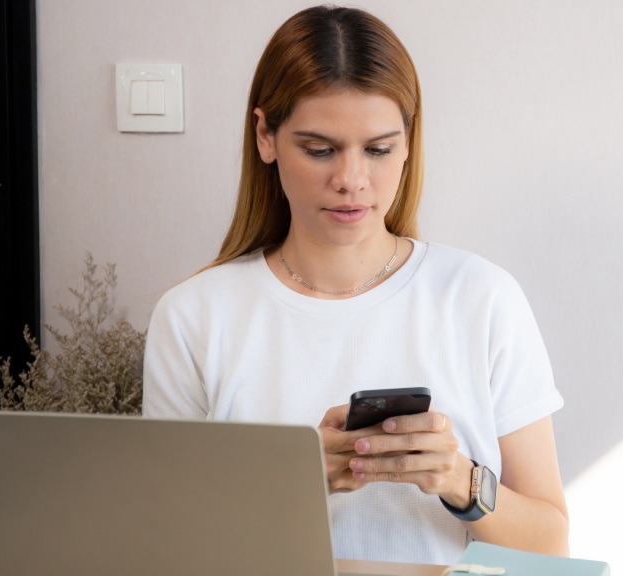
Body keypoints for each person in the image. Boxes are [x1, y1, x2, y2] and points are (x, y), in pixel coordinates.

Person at [142, 5, 568, 566]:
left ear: (410, 141)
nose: (351, 180)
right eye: (319, 149)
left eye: (378, 149)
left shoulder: (482, 299)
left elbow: (552, 546)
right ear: (265, 136)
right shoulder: (194, 317)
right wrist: (290, 483)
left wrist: (460, 480)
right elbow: (167, 550)